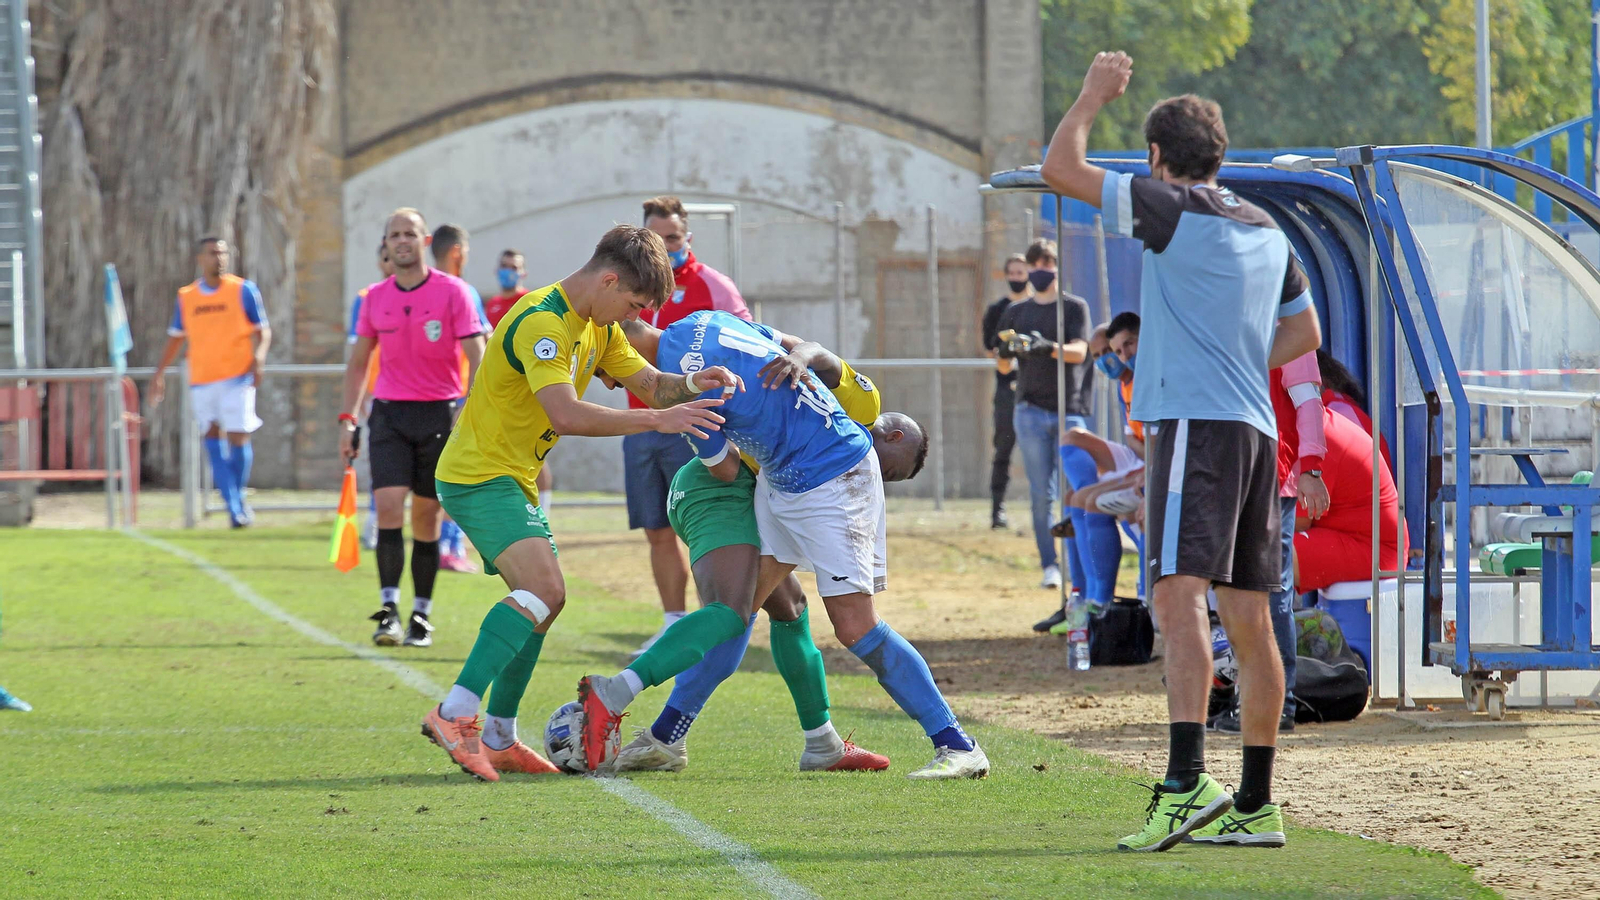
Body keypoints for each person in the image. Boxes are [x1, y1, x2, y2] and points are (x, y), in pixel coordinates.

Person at [1041, 51, 1322, 850]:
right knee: (1250, 615)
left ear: (1158, 159)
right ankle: (1257, 803)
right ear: (1222, 154)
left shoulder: (1170, 207)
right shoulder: (1268, 230)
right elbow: (1304, 335)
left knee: (1175, 597)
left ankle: (1184, 781)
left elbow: (1062, 167)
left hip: (1195, 426)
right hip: (1255, 433)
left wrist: (1094, 93)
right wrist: (1237, 352)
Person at [575, 310, 989, 780]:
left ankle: (958, 745)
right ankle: (665, 737)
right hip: (783, 477)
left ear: (622, 356)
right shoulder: (704, 320)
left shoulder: (688, 390)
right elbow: (792, 343)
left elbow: (727, 471)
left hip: (833, 477)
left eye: (604, 371)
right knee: (733, 617)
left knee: (855, 627)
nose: (609, 385)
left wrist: (688, 426)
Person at [419, 224, 739, 781]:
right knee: (545, 590)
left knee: (541, 604)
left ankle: (497, 736)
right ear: (609, 279)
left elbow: (652, 383)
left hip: (511, 477)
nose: (632, 318)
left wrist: (692, 385)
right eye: (633, 304)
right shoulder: (543, 320)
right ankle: (456, 711)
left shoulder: (599, 324)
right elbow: (565, 414)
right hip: (478, 475)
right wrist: (658, 418)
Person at [599, 316, 893, 773]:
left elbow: (801, 348)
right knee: (731, 612)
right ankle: (626, 705)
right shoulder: (833, 420)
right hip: (714, 490)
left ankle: (822, 743)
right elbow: (726, 467)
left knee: (789, 606)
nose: (615, 384)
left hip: (742, 486)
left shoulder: (704, 330)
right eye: (889, 470)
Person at [339, 209, 487, 649]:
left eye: (410, 234)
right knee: (387, 507)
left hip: (439, 415)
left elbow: (480, 357)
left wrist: (468, 408)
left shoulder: (454, 292)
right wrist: (348, 419)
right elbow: (359, 362)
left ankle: (421, 614)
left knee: (425, 517)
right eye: (394, 235)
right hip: (388, 414)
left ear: (424, 242)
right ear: (386, 245)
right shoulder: (374, 298)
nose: (402, 241)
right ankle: (388, 611)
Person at [623, 196, 753, 661]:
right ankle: (672, 624)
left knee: (703, 529)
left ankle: (713, 625)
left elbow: (749, 344)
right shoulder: (627, 289)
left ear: (688, 237)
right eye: (657, 239)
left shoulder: (713, 285)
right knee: (656, 528)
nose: (667, 247)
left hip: (696, 424)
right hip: (640, 422)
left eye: (673, 238)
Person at [1209, 350, 1331, 735]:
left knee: (1270, 592)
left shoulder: (1285, 323)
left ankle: (1278, 704)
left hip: (1271, 477)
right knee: (1236, 588)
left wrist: (1311, 466)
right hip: (1233, 471)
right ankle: (1253, 699)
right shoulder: (1236, 315)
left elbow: (1309, 400)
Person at [151, 237, 271, 529]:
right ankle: (233, 506)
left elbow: (263, 331)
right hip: (203, 379)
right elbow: (176, 336)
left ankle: (237, 498)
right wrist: (160, 373)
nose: (218, 258)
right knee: (213, 437)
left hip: (237, 376)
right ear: (199, 259)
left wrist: (259, 357)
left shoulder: (243, 290)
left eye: (223, 252)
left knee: (239, 435)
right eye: (212, 253)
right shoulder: (188, 296)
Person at [996, 239, 1093, 595]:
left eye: (1046, 263)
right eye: (1035, 263)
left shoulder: (1073, 307)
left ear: (1056, 267)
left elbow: (1080, 353)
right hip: (1030, 412)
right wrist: (1005, 352)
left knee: (1077, 492)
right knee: (1041, 496)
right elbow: (1004, 365)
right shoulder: (1016, 312)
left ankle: (1078, 565)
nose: (1040, 270)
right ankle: (1050, 565)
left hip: (1070, 412)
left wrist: (1047, 347)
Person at [430, 224, 495, 575]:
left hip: (421, 399)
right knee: (461, 474)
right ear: (457, 251)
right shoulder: (462, 291)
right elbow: (482, 344)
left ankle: (438, 543)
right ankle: (450, 546)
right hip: (456, 397)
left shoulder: (419, 288)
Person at [1294, 406, 1406, 594]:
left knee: (1264, 555)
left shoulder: (1316, 436)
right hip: (1352, 536)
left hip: (1375, 550)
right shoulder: (1313, 423)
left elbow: (1297, 523)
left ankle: (1266, 623)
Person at [350, 239, 396, 550]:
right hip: (378, 396)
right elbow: (358, 353)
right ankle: (373, 523)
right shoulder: (367, 299)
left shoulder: (427, 295)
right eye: (385, 257)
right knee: (381, 464)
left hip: (416, 397)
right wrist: (362, 396)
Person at [980, 254, 1031, 529]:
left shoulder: (1038, 308)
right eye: (1011, 272)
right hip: (1007, 390)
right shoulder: (998, 310)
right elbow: (990, 346)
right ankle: (997, 510)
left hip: (1037, 388)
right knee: (1003, 449)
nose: (1016, 278)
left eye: (1020, 272)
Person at [483, 248, 528, 328]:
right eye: (504, 266)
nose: (508, 271)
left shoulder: (529, 301)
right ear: (496, 270)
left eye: (514, 268)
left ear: (523, 273)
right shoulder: (492, 303)